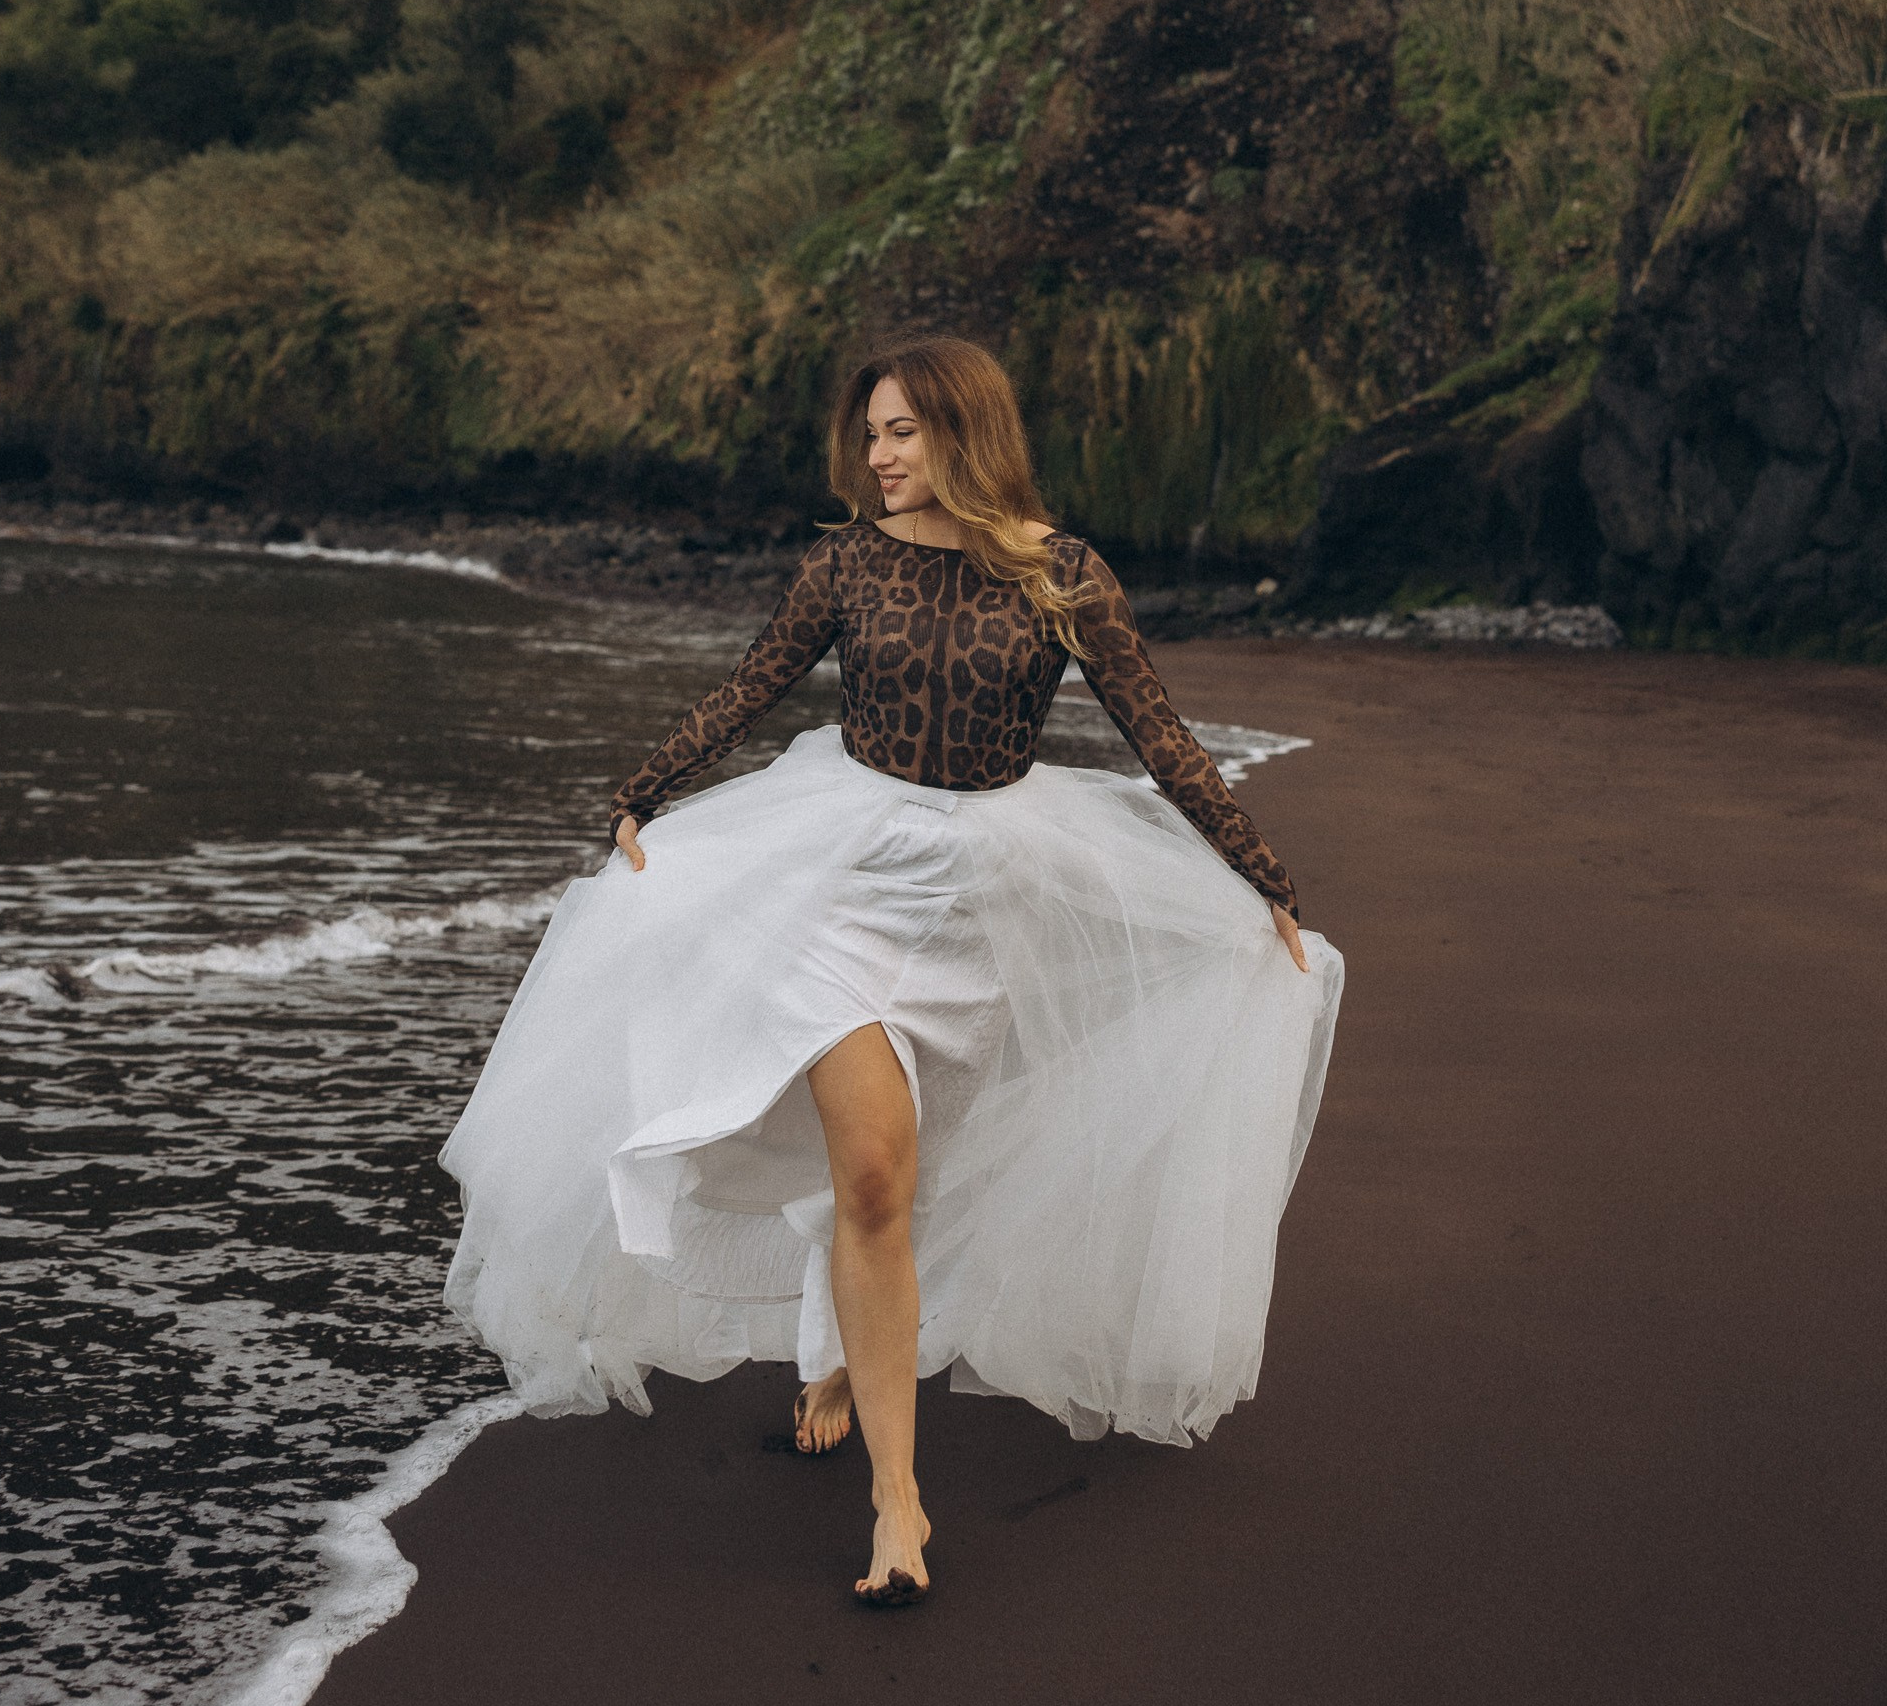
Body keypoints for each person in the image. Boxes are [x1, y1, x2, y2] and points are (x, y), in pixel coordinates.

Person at [441, 336, 1342, 1608]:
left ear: (967, 433)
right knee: (869, 1166)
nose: (878, 454)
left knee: (908, 1184)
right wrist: (639, 793)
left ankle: (832, 1355)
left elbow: (1160, 735)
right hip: (834, 883)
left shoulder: (1061, 573)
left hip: (980, 905)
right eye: (871, 433)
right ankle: (898, 1501)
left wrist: (1264, 878)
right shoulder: (847, 561)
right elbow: (752, 685)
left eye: (904, 431)